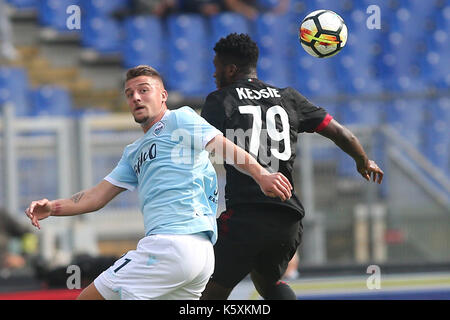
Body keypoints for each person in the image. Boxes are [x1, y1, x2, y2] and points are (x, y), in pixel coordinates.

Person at [24, 65, 293, 300]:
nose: (136, 98)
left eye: (144, 90)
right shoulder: (134, 151)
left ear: (163, 96)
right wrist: (54, 208)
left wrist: (261, 174)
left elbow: (223, 146)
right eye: (129, 94)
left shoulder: (179, 119)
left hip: (171, 245)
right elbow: (96, 196)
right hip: (198, 258)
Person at [200, 33, 384, 300]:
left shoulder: (220, 100)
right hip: (287, 219)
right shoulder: (288, 98)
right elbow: (344, 135)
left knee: (206, 289)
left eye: (216, 68)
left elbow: (204, 144)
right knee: (267, 282)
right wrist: (363, 161)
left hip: (246, 216)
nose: (214, 75)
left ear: (230, 69)